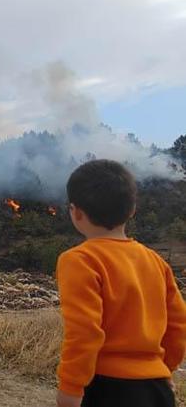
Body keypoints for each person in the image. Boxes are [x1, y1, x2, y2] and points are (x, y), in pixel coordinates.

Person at [56, 159, 186, 407]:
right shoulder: (156, 262)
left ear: (76, 212)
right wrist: (164, 368)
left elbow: (84, 332)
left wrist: (70, 389)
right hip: (157, 390)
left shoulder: (79, 260)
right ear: (132, 210)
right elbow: (178, 324)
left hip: (108, 388)